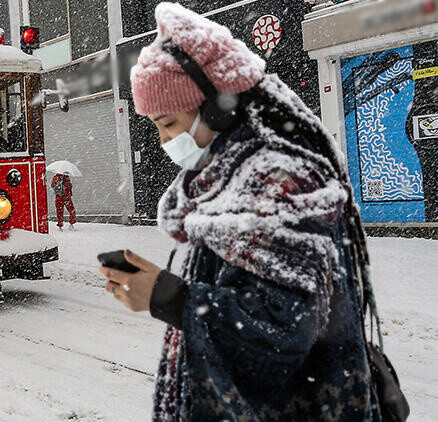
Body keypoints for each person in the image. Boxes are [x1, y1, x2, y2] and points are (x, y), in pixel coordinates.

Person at [99, 4, 381, 421]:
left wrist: (169, 298)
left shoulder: (278, 181)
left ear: (218, 107)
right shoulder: (227, 179)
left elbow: (284, 331)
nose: (164, 140)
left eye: (169, 123)